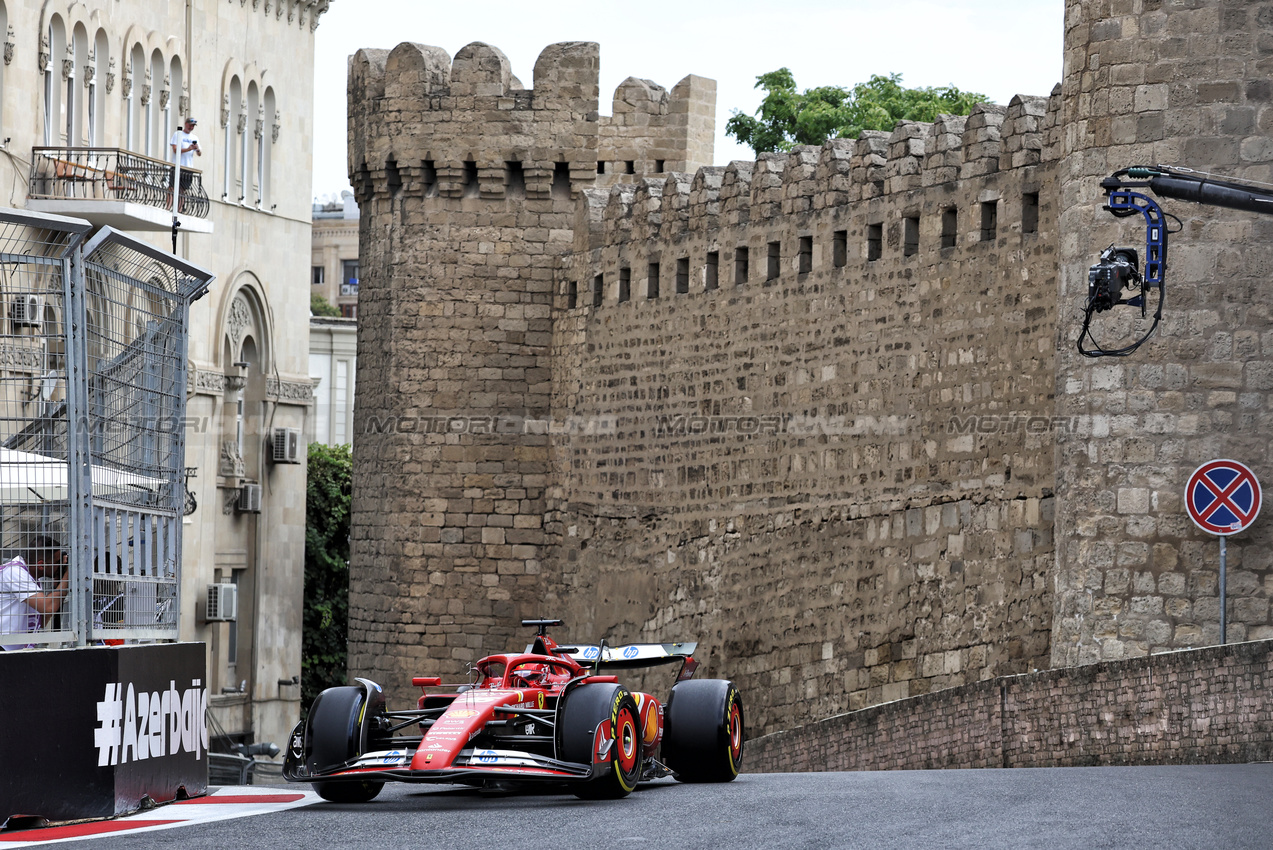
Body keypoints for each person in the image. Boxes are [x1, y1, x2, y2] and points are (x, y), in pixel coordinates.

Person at [0, 536, 68, 650]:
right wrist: (69, 575)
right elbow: (48, 607)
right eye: (57, 562)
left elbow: (42, 619)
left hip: (12, 649)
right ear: (41, 565)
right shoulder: (14, 572)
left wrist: (59, 583)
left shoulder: (32, 578)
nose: (61, 564)